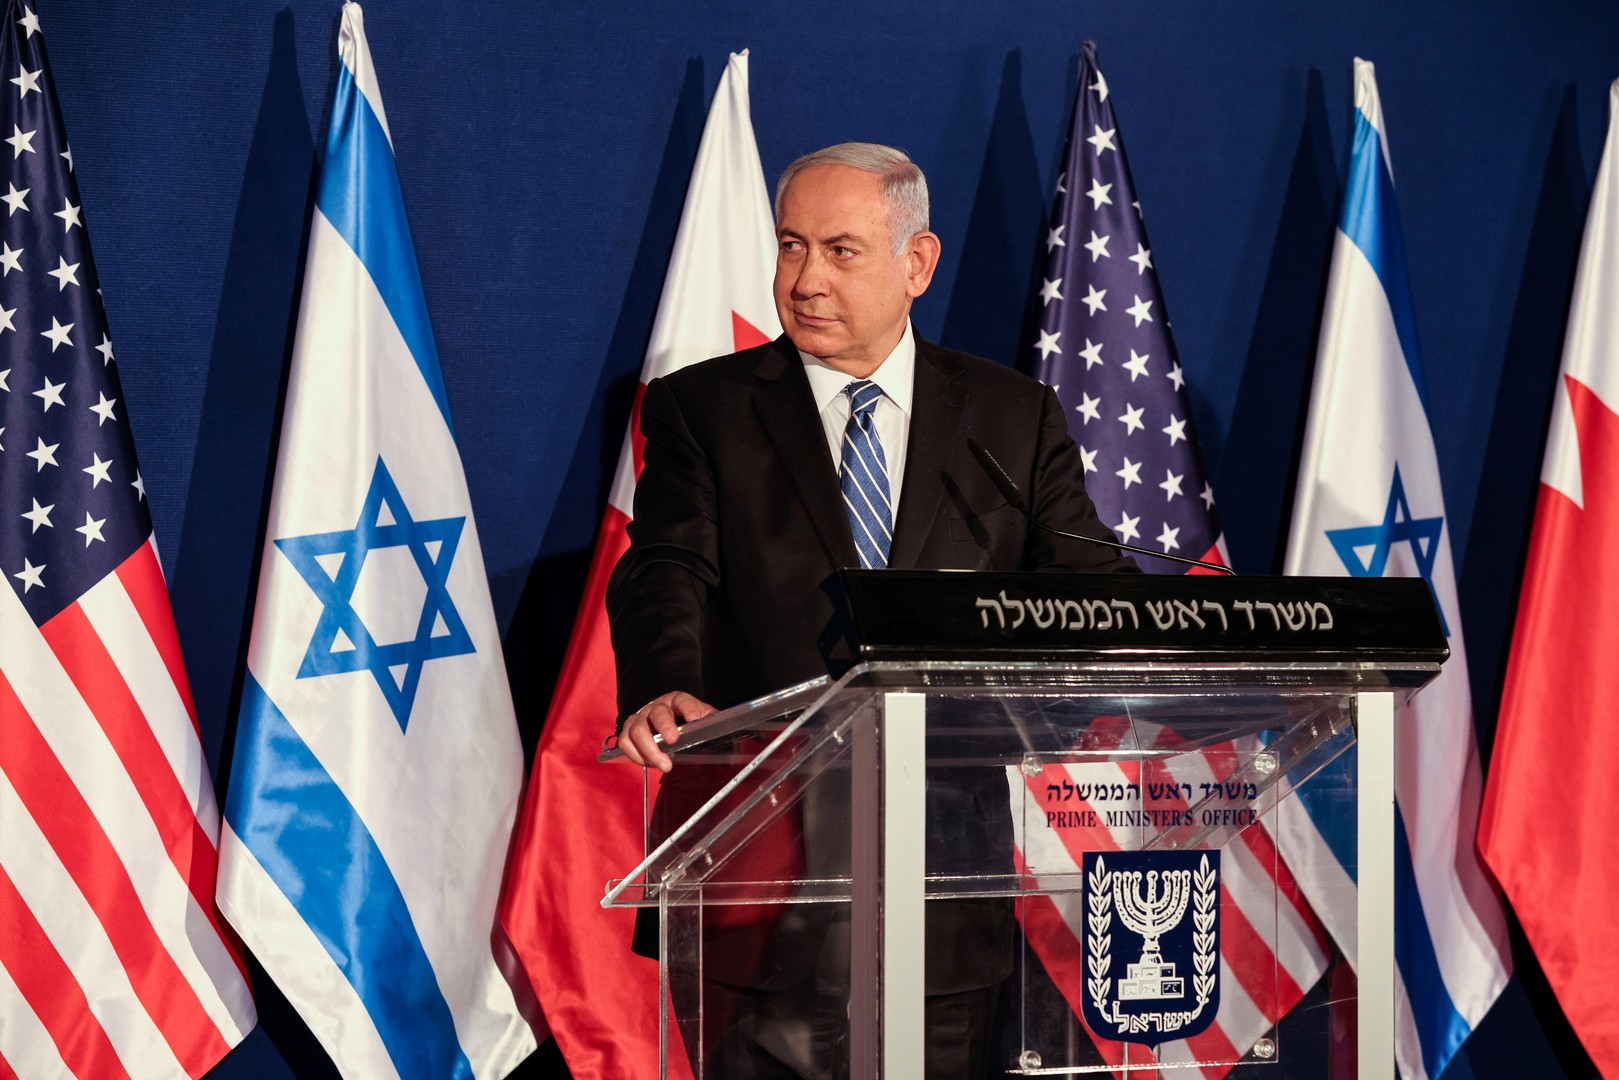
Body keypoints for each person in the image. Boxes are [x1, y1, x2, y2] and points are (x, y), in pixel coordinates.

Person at [608, 142, 1134, 1078]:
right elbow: (666, 565)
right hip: (760, 868)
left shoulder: (1010, 417)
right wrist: (664, 681)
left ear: (915, 263)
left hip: (943, 878)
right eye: (791, 246)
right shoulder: (706, 409)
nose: (804, 279)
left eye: (840, 251)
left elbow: (1090, 585)